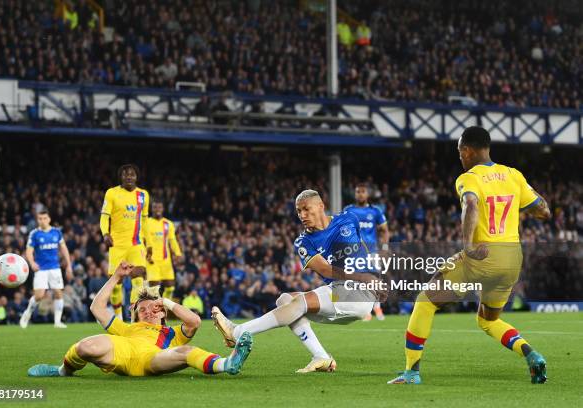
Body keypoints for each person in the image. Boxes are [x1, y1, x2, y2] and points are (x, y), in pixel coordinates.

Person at [388, 126, 550, 385]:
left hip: (482, 257)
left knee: (424, 301)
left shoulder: (468, 178)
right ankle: (532, 354)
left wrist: (468, 246)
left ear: (467, 150)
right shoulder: (513, 175)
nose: (460, 156)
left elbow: (471, 204)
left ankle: (411, 372)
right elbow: (543, 210)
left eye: (460, 151)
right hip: (512, 260)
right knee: (488, 320)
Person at [212, 189, 384, 373]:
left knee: (299, 303)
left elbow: (364, 248)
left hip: (358, 293)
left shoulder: (348, 219)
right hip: (341, 291)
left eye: (306, 209)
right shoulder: (303, 242)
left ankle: (236, 332)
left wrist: (375, 275)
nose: (302, 215)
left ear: (320, 206)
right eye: (298, 211)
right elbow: (325, 269)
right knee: (285, 300)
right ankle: (321, 357)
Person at [27, 261, 253, 378]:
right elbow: (96, 307)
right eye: (141, 309)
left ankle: (228, 364)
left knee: (186, 352)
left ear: (162, 312)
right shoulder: (127, 328)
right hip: (123, 350)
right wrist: (116, 276)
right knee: (86, 346)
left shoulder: (172, 334)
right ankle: (62, 371)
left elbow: (194, 321)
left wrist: (165, 302)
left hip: (152, 359)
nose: (147, 312)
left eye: (153, 308)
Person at [100, 164, 152, 319]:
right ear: (121, 177)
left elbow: (145, 221)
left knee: (139, 278)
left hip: (136, 245)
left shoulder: (143, 195)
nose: (129, 177)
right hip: (117, 246)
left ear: (137, 177)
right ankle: (118, 317)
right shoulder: (112, 193)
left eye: (132, 174)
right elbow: (104, 216)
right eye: (125, 174)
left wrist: (148, 244)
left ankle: (133, 320)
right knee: (116, 285)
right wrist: (105, 234)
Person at [344, 183, 389, 320]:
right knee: (358, 281)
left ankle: (377, 309)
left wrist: (385, 249)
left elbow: (384, 230)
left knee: (375, 280)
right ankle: (365, 311)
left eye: (363, 192)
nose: (360, 194)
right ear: (355, 194)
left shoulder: (375, 211)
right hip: (355, 252)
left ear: (367, 194)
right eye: (358, 192)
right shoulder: (348, 210)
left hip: (372, 251)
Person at [20, 209, 73, 328]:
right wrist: (32, 262)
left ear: (49, 219)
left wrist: (69, 265)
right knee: (39, 296)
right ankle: (27, 313)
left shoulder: (56, 232)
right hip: (41, 269)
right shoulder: (34, 234)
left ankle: (57, 322)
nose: (42, 221)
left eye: (44, 218)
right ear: (37, 220)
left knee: (58, 293)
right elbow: (29, 251)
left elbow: (63, 248)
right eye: (40, 219)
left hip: (55, 268)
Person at [146, 199, 183, 301]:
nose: (157, 209)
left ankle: (163, 309)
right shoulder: (147, 223)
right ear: (151, 209)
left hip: (166, 261)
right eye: (155, 207)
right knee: (154, 289)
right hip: (152, 261)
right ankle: (154, 312)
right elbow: (143, 241)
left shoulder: (168, 224)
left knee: (170, 287)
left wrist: (178, 253)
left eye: (159, 207)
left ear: (163, 209)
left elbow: (172, 240)